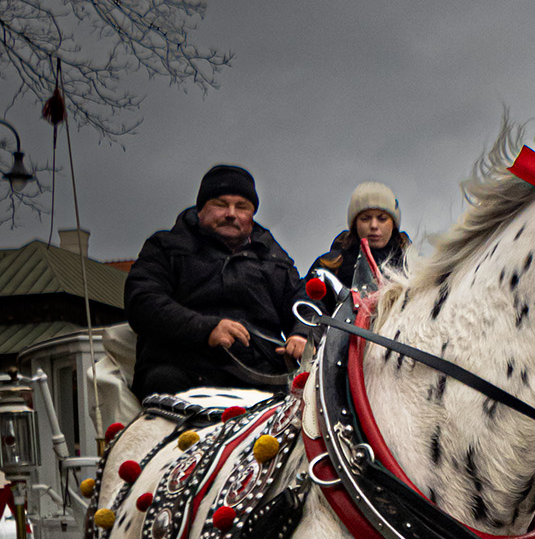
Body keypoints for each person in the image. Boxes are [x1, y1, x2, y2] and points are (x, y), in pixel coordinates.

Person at [125, 164, 307, 399]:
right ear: (201, 208)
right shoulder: (165, 247)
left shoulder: (274, 259)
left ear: (252, 215)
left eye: (242, 207)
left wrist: (301, 334)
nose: (231, 213)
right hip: (182, 371)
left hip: (261, 375)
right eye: (220, 204)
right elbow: (142, 302)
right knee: (163, 388)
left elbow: (304, 303)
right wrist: (206, 328)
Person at [306, 181, 408, 306]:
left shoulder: (413, 272)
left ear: (393, 224)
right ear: (355, 224)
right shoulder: (330, 266)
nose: (374, 226)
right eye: (365, 218)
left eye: (382, 218)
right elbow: (308, 310)